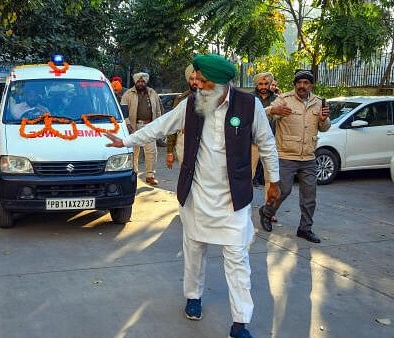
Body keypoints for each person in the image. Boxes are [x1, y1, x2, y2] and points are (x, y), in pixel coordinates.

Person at [105, 54, 280, 338]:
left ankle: (240, 323)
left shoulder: (250, 106)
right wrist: (125, 141)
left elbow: (267, 143)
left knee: (237, 259)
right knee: (194, 251)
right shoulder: (190, 104)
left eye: (201, 79)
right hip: (197, 195)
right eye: (195, 79)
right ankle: (193, 296)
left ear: (220, 83)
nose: (195, 83)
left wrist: (274, 179)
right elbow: (159, 126)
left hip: (233, 199)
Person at [259, 70, 331, 243]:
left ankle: (305, 229)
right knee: (282, 191)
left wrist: (323, 119)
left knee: (309, 196)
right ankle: (267, 213)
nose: (302, 86)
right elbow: (262, 113)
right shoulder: (284, 99)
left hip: (308, 157)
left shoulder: (318, 102)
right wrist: (273, 109)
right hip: (285, 155)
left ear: (310, 85)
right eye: (299, 83)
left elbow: (325, 127)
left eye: (306, 83)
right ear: (295, 84)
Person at [120, 72, 163, 185]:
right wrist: (128, 124)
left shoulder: (152, 93)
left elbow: (158, 110)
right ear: (135, 82)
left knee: (151, 151)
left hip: (150, 126)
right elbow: (123, 111)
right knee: (134, 151)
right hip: (134, 126)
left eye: (142, 81)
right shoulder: (128, 94)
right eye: (138, 81)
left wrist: (158, 123)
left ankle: (150, 175)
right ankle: (133, 173)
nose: (140, 83)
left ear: (146, 82)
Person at [250, 72, 278, 220]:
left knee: (271, 178)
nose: (263, 87)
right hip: (253, 143)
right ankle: (244, 206)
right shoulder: (249, 99)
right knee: (248, 175)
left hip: (270, 144)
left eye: (266, 84)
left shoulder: (278, 99)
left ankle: (269, 211)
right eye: (260, 84)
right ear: (256, 85)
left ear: (270, 84)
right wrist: (271, 111)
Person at [166, 64, 196, 169]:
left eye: (197, 78)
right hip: (183, 141)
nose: (194, 82)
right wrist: (169, 151)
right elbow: (172, 125)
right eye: (192, 79)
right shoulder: (181, 99)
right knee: (185, 174)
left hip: (204, 142)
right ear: (188, 80)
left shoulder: (210, 98)